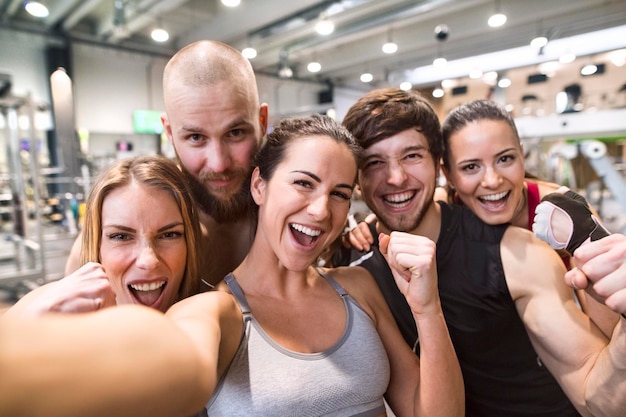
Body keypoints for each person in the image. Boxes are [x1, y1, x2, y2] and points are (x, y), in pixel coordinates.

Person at [0, 114, 466, 417]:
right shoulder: (215, 311)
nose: (321, 211)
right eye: (303, 184)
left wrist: (428, 310)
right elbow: (169, 361)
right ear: (259, 186)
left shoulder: (359, 287)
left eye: (340, 194)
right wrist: (23, 329)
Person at [334, 87, 626, 416]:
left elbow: (597, 395)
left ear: (437, 166)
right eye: (374, 162)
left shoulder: (516, 252)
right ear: (357, 179)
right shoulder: (351, 269)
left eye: (412, 156)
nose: (396, 177)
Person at [64, 40, 268, 287]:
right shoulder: (115, 234)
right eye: (195, 137)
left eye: (235, 133)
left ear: (262, 121)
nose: (218, 164)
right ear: (169, 133)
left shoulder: (293, 209)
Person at [5, 155, 201, 316]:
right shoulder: (48, 303)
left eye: (169, 235)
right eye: (121, 237)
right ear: (97, 245)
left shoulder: (208, 314)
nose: (148, 261)